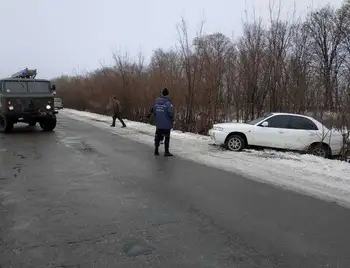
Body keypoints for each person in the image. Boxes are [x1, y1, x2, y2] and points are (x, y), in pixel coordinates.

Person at [152, 88, 174, 156]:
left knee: (158, 136)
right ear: (168, 94)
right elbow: (171, 113)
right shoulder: (168, 103)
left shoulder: (156, 103)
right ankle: (166, 151)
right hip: (166, 124)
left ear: (162, 94)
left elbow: (154, 112)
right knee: (167, 137)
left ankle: (156, 150)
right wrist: (172, 119)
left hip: (159, 123)